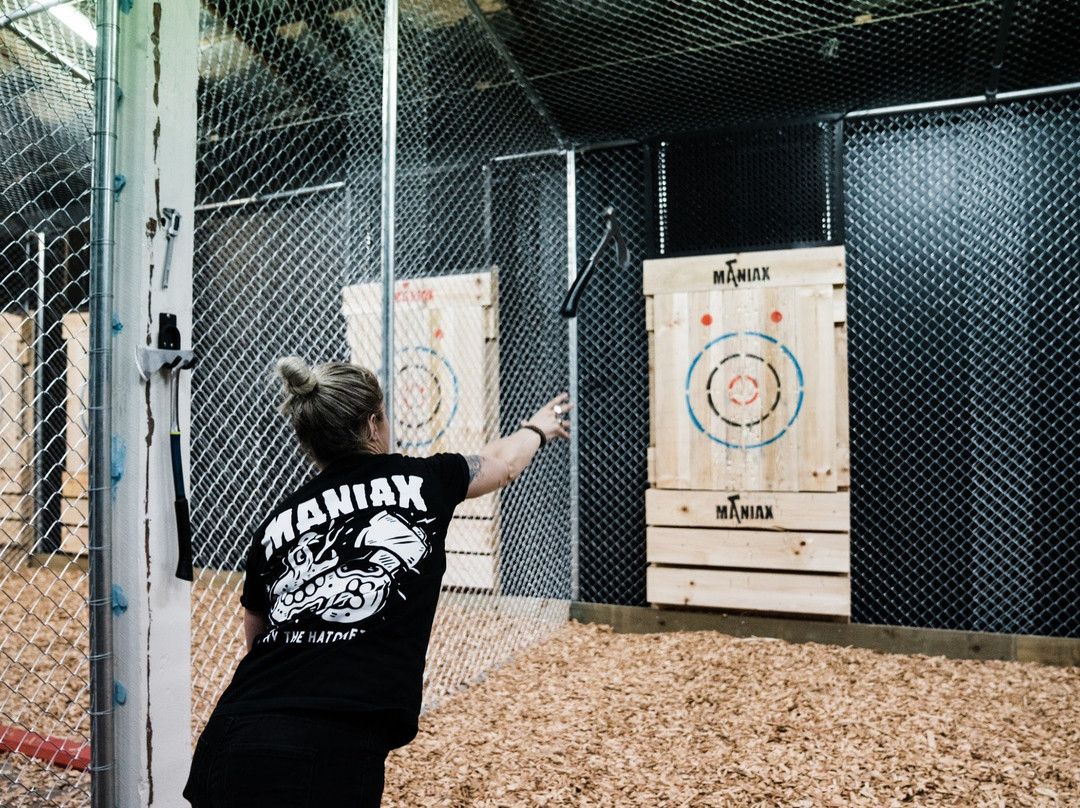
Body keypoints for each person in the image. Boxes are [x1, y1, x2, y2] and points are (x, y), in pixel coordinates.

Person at [183, 356, 571, 807]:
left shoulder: (276, 522)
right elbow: (502, 463)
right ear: (373, 424)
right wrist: (538, 429)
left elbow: (257, 636)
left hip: (230, 736)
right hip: (327, 747)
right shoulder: (425, 479)